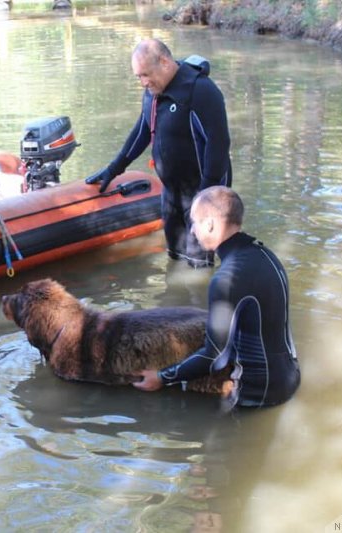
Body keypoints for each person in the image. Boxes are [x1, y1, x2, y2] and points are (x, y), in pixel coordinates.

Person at [133, 186, 300, 408]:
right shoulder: (266, 254)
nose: (192, 231)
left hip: (258, 395)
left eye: (194, 222)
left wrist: (162, 377)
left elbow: (214, 358)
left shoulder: (226, 279)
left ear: (210, 224)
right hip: (292, 375)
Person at [85, 38, 232, 268]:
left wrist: (206, 200)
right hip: (171, 194)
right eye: (138, 77)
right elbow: (143, 129)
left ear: (164, 62)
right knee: (175, 262)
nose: (142, 82)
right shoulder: (153, 91)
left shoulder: (201, 91)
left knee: (198, 269)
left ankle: (200, 302)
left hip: (201, 194)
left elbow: (219, 145)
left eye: (145, 74)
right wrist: (113, 169)